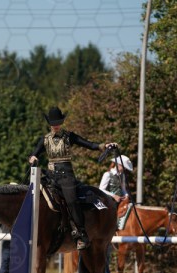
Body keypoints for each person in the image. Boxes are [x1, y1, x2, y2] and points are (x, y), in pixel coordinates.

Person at [29, 106, 117, 250]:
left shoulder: (69, 136)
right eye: (53, 123)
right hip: (50, 176)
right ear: (49, 124)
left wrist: (105, 145)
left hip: (66, 176)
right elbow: (34, 153)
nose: (56, 125)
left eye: (58, 122)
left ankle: (82, 234)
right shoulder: (44, 139)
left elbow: (90, 144)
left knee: (71, 200)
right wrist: (33, 157)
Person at [99, 154, 133, 273]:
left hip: (119, 201)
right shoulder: (107, 174)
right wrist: (113, 196)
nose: (123, 169)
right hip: (108, 201)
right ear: (118, 165)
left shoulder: (122, 176)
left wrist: (126, 196)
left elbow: (123, 189)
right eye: (123, 166)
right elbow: (101, 189)